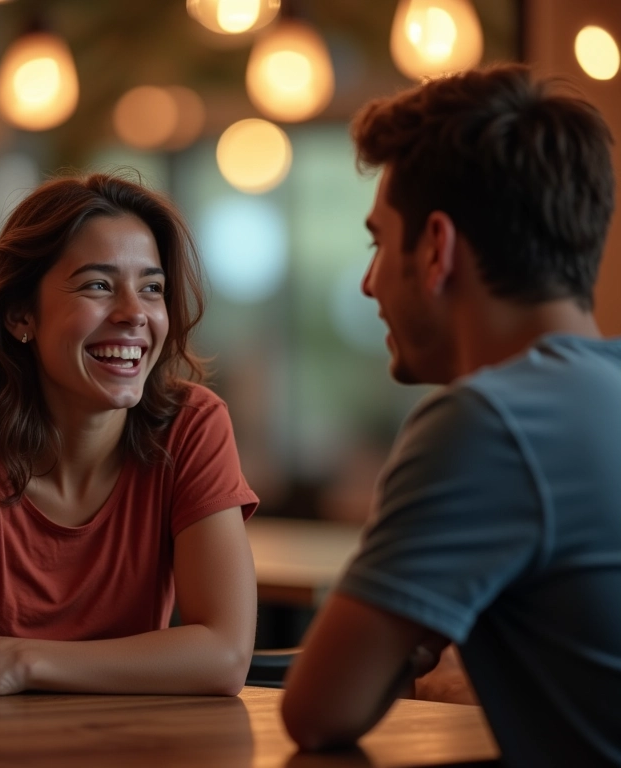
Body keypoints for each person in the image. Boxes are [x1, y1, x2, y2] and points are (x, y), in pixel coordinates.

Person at [281, 63, 621, 766]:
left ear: (435, 248)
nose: (371, 283)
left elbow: (320, 709)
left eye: (378, 242)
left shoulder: (489, 421)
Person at [0, 172, 258, 698]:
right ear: (21, 314)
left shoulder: (192, 425)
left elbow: (224, 656)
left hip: (97, 739)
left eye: (152, 288)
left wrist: (18, 661)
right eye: (98, 285)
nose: (134, 313)